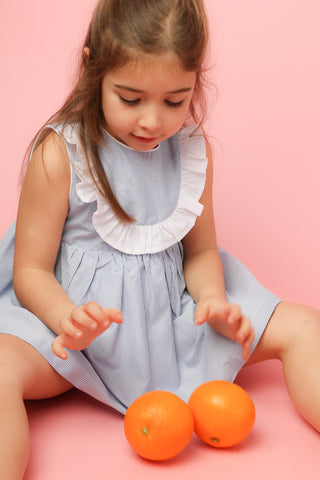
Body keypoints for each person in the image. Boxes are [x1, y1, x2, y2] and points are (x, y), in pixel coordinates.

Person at [0, 0, 319, 477]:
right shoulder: (60, 154)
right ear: (93, 70)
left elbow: (202, 249)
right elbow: (29, 270)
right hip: (75, 335)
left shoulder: (191, 151)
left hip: (170, 320)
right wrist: (66, 318)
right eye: (131, 99)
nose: (153, 121)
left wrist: (212, 300)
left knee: (303, 325)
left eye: (175, 100)